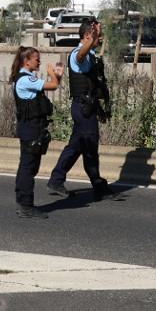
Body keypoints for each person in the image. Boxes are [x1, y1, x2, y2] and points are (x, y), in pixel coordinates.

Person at [47, 19, 118, 200]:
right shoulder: (79, 54)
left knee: (79, 145)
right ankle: (96, 184)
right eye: (96, 36)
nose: (99, 38)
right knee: (88, 146)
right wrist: (90, 41)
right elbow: (79, 56)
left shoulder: (91, 54)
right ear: (87, 36)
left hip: (87, 108)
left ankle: (57, 179)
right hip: (82, 107)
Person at [11, 46, 64, 219]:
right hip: (30, 128)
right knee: (28, 167)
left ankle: (23, 202)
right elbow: (54, 85)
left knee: (29, 166)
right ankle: (26, 205)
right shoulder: (25, 80)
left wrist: (58, 75)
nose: (39, 61)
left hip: (33, 127)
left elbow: (54, 84)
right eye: (36, 59)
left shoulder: (28, 78)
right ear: (27, 61)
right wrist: (51, 72)